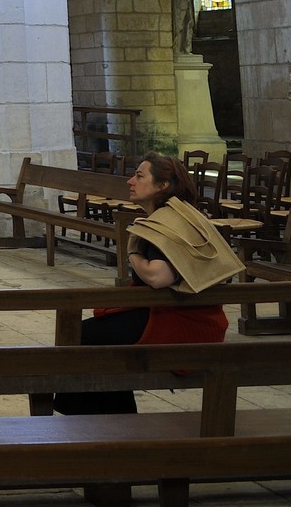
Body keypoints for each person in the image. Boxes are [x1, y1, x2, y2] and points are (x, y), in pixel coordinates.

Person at [53, 153, 229, 417]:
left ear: (162, 185)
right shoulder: (170, 217)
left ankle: (98, 419)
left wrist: (132, 250)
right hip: (170, 311)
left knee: (80, 335)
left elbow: (159, 276)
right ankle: (109, 417)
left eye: (139, 175)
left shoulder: (170, 223)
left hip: (180, 320)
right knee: (92, 338)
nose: (130, 181)